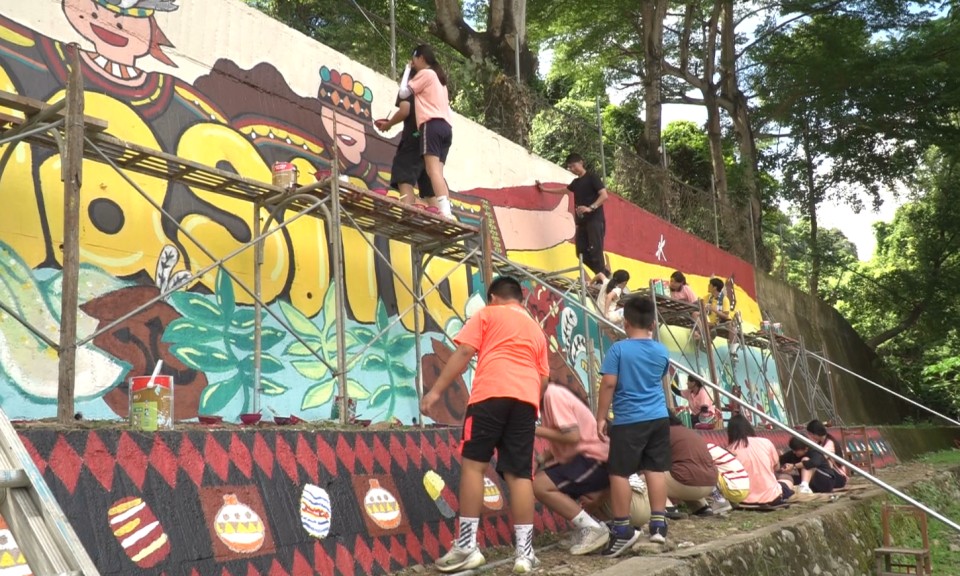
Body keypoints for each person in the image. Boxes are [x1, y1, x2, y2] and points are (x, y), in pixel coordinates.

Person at [421, 276, 550, 573]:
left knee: (474, 466)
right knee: (520, 475)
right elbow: (543, 378)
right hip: (525, 401)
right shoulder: (536, 330)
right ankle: (524, 554)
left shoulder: (487, 314)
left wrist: (436, 392)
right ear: (519, 299)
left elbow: (464, 352)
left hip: (489, 395)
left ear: (492, 297)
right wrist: (526, 399)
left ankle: (467, 546)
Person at [595, 297, 672, 555]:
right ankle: (659, 525)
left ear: (625, 323)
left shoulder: (618, 350)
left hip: (629, 420)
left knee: (619, 472)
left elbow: (608, 383)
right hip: (659, 418)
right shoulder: (662, 351)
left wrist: (601, 417)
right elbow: (658, 379)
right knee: (655, 469)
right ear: (652, 324)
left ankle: (622, 530)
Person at [532, 383, 610, 556]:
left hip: (594, 457)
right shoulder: (549, 398)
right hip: (585, 457)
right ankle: (593, 527)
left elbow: (572, 436)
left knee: (540, 485)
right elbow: (568, 436)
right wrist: (543, 458)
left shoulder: (552, 395)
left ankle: (592, 528)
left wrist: (534, 429)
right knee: (547, 479)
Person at [398, 44, 454, 218]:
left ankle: (444, 212)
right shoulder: (441, 82)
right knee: (439, 173)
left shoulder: (426, 74)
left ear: (421, 58)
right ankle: (447, 210)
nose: (413, 63)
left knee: (432, 172)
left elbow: (403, 93)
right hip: (447, 128)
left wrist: (407, 70)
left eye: (414, 59)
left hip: (432, 125)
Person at [536, 154, 611, 281]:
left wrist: (590, 208)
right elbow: (564, 190)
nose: (572, 169)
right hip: (581, 222)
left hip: (595, 220)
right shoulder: (576, 183)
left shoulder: (592, 177)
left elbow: (604, 195)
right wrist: (544, 189)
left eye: (574, 166)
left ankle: (603, 280)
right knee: (581, 252)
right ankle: (605, 275)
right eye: (569, 167)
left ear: (581, 162)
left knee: (596, 250)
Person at [374, 72, 437, 208]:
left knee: (404, 175)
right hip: (430, 141)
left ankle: (406, 209)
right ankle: (437, 213)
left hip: (414, 137)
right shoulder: (429, 92)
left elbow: (404, 111)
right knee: (429, 187)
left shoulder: (408, 89)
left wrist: (388, 124)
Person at [726, 414, 794, 506]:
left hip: (742, 499)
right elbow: (776, 467)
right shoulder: (765, 442)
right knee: (787, 478)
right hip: (772, 498)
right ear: (749, 427)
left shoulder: (729, 450)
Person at [665, 413, 718, 517]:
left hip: (686, 483)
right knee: (686, 470)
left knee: (648, 476)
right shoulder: (690, 432)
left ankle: (667, 508)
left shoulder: (663, 433)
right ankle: (702, 507)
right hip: (710, 484)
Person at [779, 437, 846, 494]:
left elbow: (814, 463)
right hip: (812, 483)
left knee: (806, 460)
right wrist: (783, 468)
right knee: (787, 477)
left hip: (826, 480)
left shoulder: (815, 451)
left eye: (796, 450)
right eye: (793, 450)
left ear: (806, 449)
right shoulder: (793, 454)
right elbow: (780, 460)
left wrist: (794, 466)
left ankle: (804, 487)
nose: (794, 452)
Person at [705, 442, 750, 514]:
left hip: (734, 489)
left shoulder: (706, 450)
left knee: (703, 471)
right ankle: (730, 502)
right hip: (744, 489)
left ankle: (720, 501)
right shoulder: (714, 448)